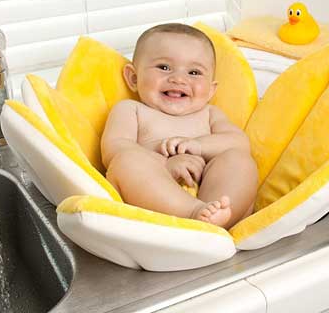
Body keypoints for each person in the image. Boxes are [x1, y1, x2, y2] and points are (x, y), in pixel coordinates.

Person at [101, 23, 258, 229]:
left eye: (194, 72)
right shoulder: (131, 110)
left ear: (211, 90)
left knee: (239, 159)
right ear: (133, 78)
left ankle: (217, 217)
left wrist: (199, 146)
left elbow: (239, 142)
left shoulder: (210, 113)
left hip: (209, 193)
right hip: (154, 201)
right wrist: (163, 164)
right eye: (164, 67)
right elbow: (113, 150)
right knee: (126, 161)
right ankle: (193, 215)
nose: (178, 79)